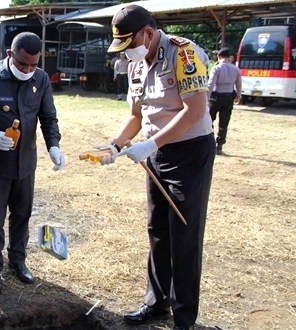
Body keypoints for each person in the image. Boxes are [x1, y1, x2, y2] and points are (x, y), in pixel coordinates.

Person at [99, 5, 215, 330]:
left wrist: (152, 144)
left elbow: (195, 110)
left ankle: (184, 317)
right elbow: (136, 115)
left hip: (190, 153)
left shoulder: (183, 53)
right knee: (158, 230)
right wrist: (116, 144)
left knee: (185, 233)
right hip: (157, 153)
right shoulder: (136, 65)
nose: (127, 52)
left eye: (129, 43)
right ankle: (156, 302)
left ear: (148, 33)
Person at [0, 32, 64, 294]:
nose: (28, 70)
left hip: (26, 161)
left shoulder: (40, 79)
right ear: (10, 55)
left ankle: (17, 261)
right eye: (22, 64)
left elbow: (48, 117)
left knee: (22, 214)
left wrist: (53, 145)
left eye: (33, 64)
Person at [207, 47, 241, 155]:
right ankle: (220, 145)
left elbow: (211, 84)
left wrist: (206, 97)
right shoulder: (235, 69)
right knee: (224, 123)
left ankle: (210, 141)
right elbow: (238, 84)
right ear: (228, 57)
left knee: (209, 120)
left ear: (219, 56)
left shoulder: (217, 68)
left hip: (216, 97)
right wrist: (238, 95)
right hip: (228, 97)